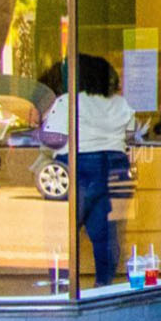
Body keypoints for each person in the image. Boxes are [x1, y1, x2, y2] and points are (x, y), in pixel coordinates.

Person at [43, 55, 135, 286]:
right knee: (105, 234)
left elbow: (51, 139)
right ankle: (103, 286)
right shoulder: (121, 104)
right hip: (114, 168)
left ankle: (62, 286)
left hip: (76, 167)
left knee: (64, 232)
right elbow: (131, 137)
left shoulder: (67, 102)